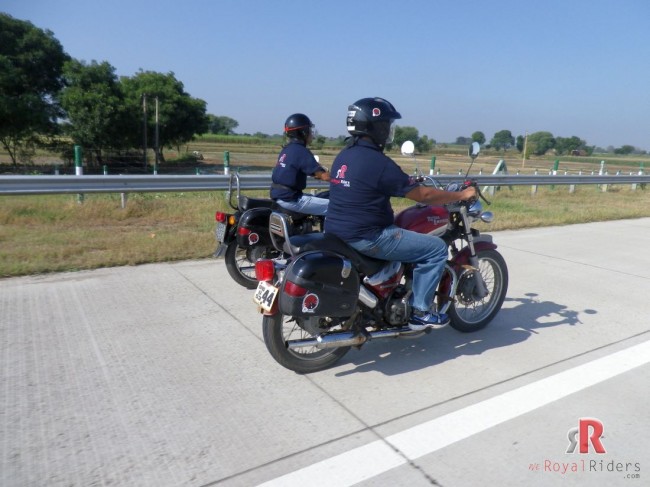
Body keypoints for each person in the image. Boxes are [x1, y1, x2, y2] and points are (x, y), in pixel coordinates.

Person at [324, 97, 477, 331]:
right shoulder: (378, 162)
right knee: (435, 249)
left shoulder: (344, 156)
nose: (388, 130)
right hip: (370, 237)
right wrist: (460, 196)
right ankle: (420, 312)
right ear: (375, 126)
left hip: (336, 231)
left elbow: (369, 185)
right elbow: (423, 196)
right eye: (386, 124)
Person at [270, 113, 330, 216]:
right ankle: (330, 232)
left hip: (279, 195)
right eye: (309, 130)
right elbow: (324, 176)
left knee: (320, 197)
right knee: (337, 207)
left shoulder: (286, 149)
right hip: (291, 199)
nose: (312, 133)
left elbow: (308, 170)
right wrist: (342, 181)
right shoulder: (301, 151)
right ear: (304, 132)